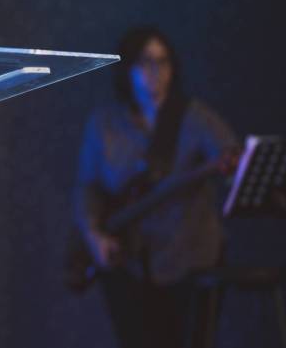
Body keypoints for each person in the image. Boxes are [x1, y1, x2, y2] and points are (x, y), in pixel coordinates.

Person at [74, 26, 237, 348]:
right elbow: (87, 187)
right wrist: (94, 235)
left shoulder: (194, 117)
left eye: (162, 62)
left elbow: (232, 160)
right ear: (128, 69)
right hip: (128, 261)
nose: (155, 72)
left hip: (189, 257)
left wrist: (233, 168)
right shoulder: (105, 123)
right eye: (145, 62)